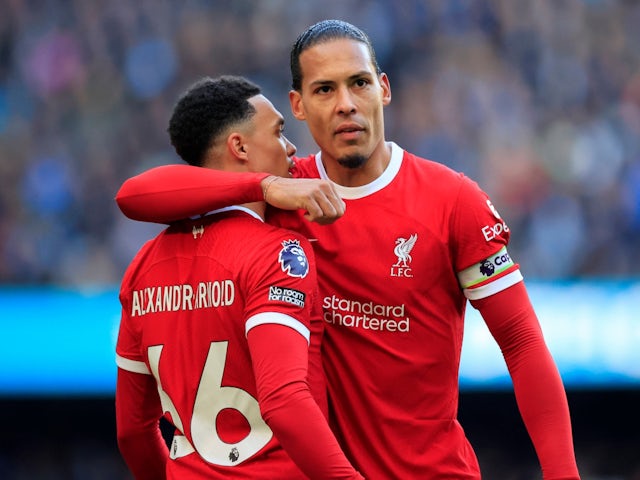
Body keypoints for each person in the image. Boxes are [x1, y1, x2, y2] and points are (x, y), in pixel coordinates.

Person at [116, 20, 581, 479]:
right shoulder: (286, 190)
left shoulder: (451, 201)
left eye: (358, 83)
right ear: (297, 105)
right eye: (324, 90)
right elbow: (137, 195)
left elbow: (521, 343)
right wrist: (265, 185)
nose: (345, 105)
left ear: (383, 89)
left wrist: (562, 473)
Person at [115, 75, 363, 480]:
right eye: (279, 132)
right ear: (240, 147)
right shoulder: (278, 253)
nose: (291, 147)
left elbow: (132, 432)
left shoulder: (143, 265)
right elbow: (283, 400)